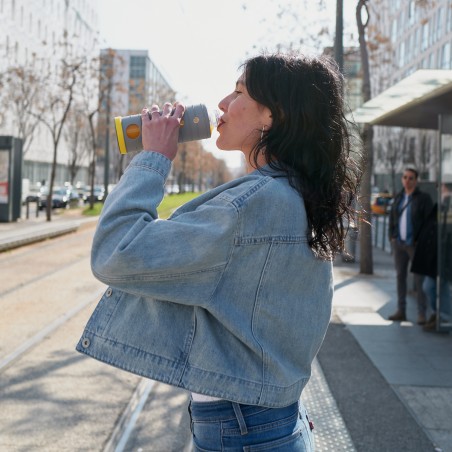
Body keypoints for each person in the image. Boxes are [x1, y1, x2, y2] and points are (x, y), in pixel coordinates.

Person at [77, 53, 362, 451]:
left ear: (272, 116)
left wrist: (154, 158)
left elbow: (116, 250)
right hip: (268, 423)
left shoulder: (253, 205)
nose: (223, 103)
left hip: (241, 432)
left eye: (240, 91)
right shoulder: (297, 193)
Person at [388, 168, 433, 324]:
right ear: (402, 179)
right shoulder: (399, 197)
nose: (407, 180)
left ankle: (422, 313)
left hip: (415, 246)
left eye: (411, 178)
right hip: (399, 244)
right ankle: (401, 310)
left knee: (419, 279)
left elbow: (429, 222)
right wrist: (392, 236)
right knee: (400, 277)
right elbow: (392, 218)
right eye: (405, 177)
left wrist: (420, 240)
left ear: (416, 180)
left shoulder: (423, 198)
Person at [411, 184, 451, 331]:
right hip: (436, 256)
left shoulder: (447, 205)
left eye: (441, 187)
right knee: (430, 286)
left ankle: (444, 317)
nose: (438, 189)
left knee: (440, 287)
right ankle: (437, 313)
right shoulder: (440, 205)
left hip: (444, 256)